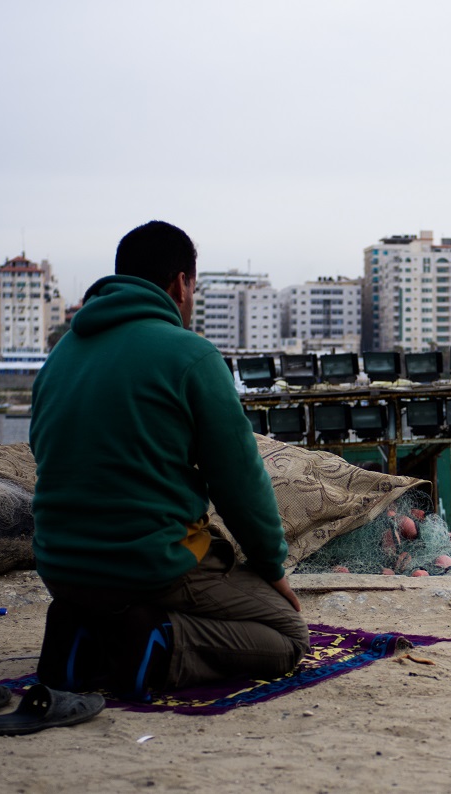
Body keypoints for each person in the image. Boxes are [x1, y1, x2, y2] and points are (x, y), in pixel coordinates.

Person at [30, 220, 308, 700]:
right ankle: (158, 645)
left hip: (61, 567)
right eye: (193, 288)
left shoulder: (60, 357)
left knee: (142, 587)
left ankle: (82, 631)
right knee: (288, 636)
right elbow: (238, 479)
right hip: (148, 565)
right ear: (181, 284)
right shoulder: (191, 355)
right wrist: (273, 567)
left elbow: (46, 453)